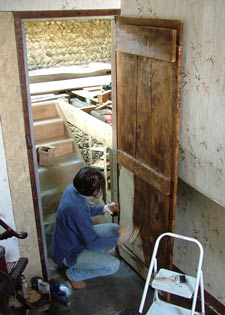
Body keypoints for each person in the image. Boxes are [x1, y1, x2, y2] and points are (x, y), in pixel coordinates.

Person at [50, 166, 133, 289]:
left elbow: (83, 210)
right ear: (93, 191)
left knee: (114, 229)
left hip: (73, 239)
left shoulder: (73, 189)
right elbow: (93, 242)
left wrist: (103, 209)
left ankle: (91, 259)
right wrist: (119, 239)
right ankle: (74, 274)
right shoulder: (75, 210)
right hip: (70, 252)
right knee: (113, 265)